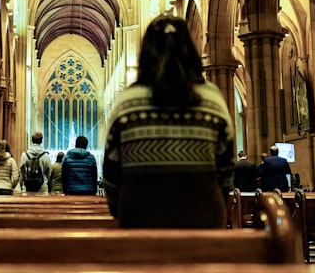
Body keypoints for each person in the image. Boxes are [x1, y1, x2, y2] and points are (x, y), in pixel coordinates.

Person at [101, 15, 235, 228]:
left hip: (140, 230)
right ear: (190, 50)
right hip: (204, 231)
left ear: (145, 53)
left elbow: (111, 174)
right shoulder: (213, 100)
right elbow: (226, 172)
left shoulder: (127, 103)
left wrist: (124, 213)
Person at [18, 131, 52, 195]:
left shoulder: (24, 155)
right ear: (41, 141)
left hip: (28, 187)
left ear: (32, 140)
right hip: (42, 188)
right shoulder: (45, 155)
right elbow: (49, 172)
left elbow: (22, 173)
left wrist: (21, 185)